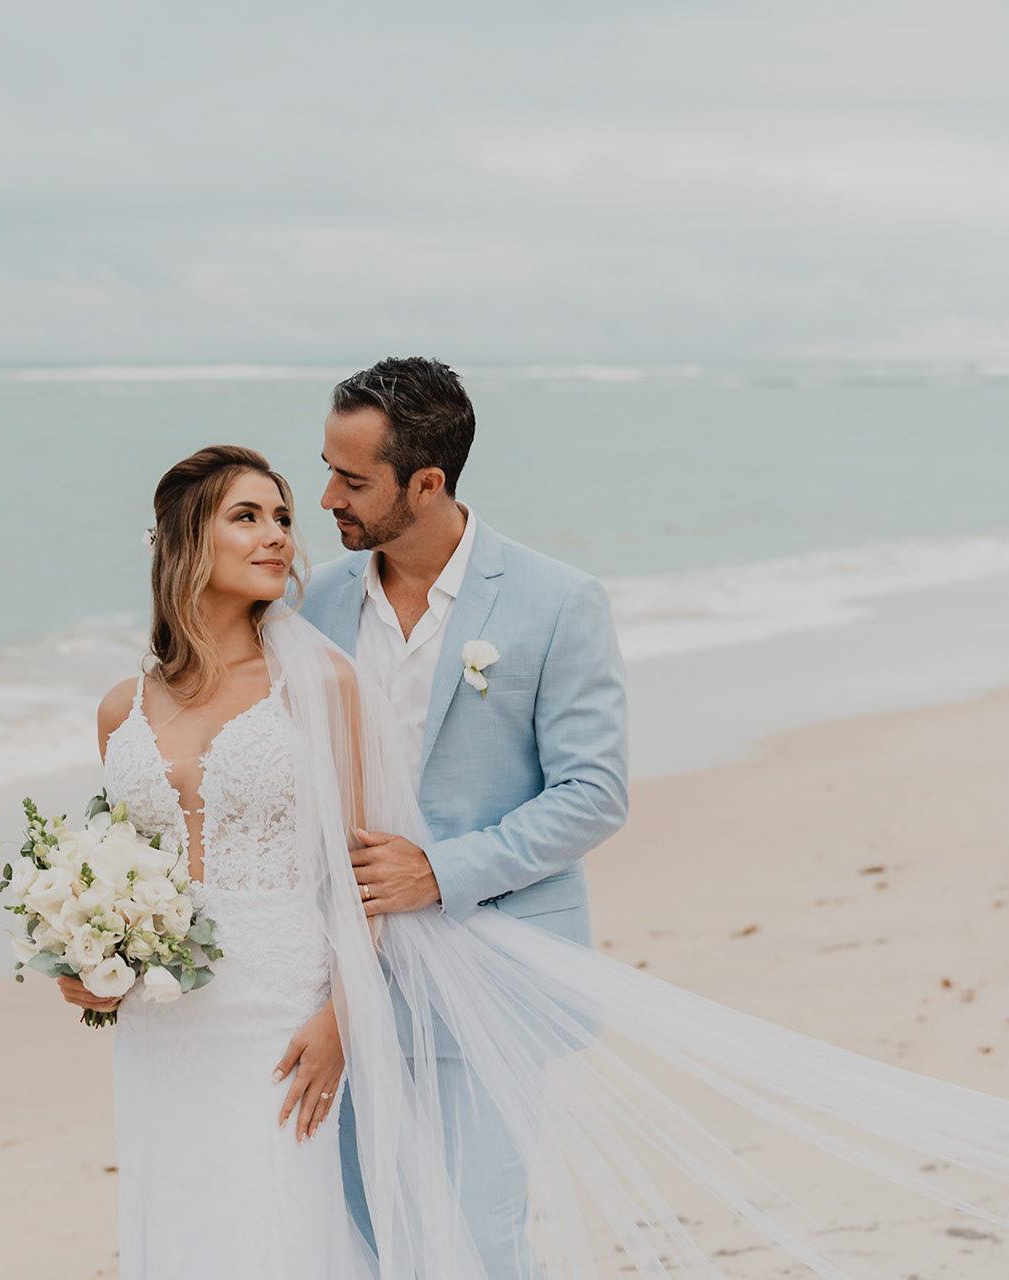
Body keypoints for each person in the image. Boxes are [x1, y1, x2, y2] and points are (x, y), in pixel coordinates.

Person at [53, 436, 1009, 1280]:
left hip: (285, 1008)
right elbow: (125, 866)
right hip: (164, 1025)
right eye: (252, 514)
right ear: (185, 537)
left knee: (299, 1228)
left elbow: (356, 863)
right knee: (177, 1214)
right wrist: (84, 950)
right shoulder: (120, 708)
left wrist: (339, 1011)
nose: (284, 530)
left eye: (287, 513)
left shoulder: (313, 685)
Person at [299, 357, 628, 1274]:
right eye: (327, 468)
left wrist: (439, 872)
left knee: (477, 1242)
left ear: (428, 482)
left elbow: (594, 792)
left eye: (352, 478)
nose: (326, 495)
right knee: (364, 1233)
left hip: (492, 968)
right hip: (346, 983)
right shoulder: (314, 602)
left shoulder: (555, 601)